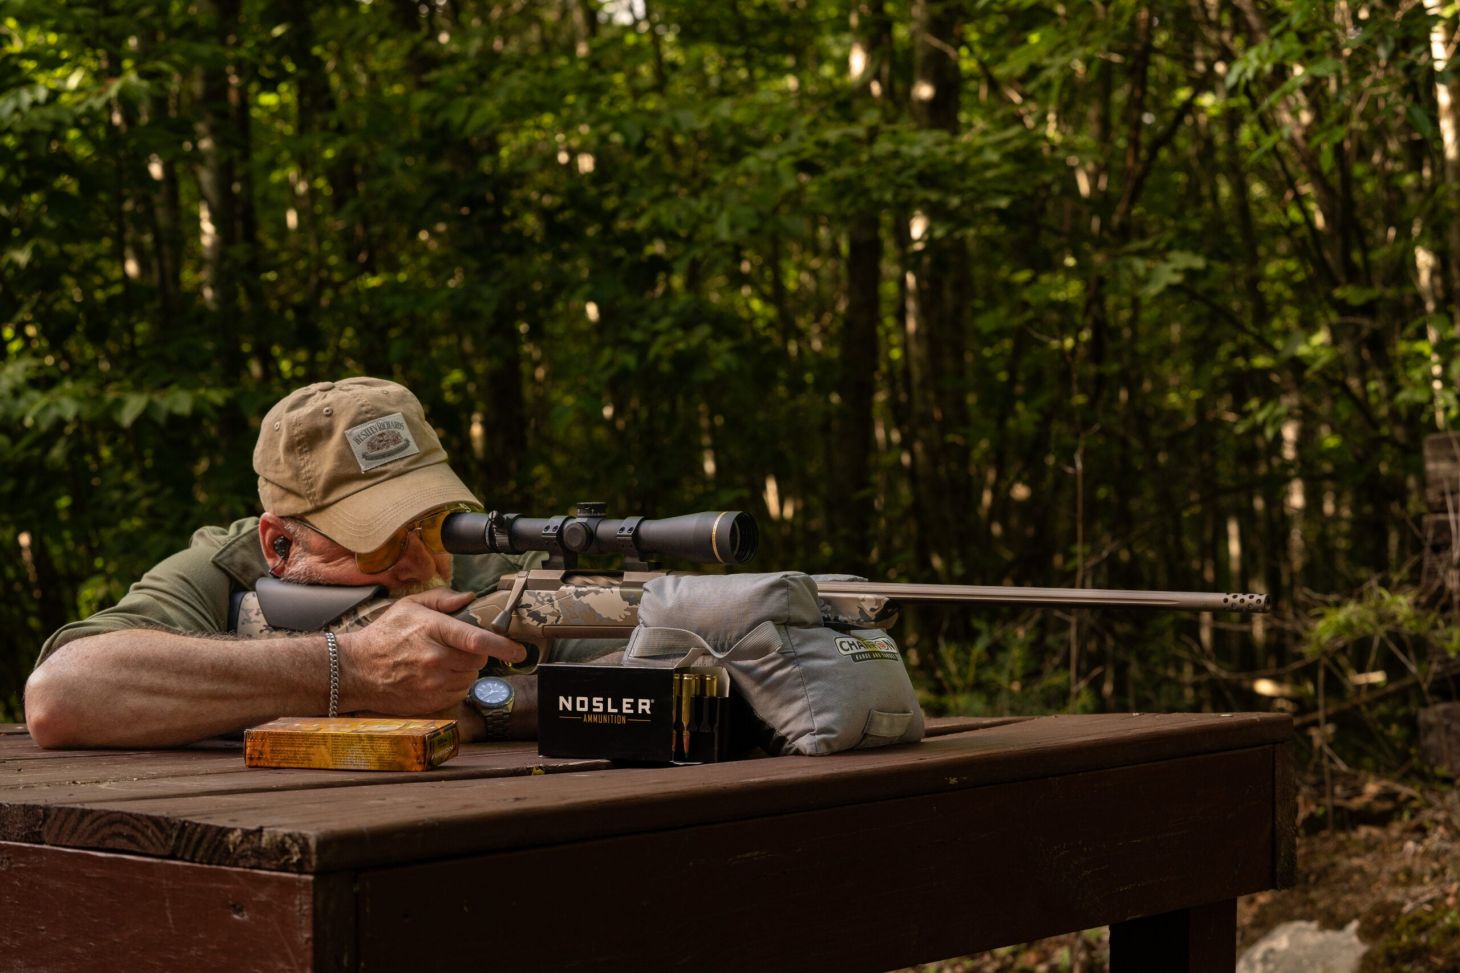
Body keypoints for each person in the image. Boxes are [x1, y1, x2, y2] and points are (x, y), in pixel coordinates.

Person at [25, 377, 568, 748]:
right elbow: (60, 695)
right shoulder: (223, 569)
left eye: (433, 524)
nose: (419, 562)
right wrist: (353, 667)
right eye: (376, 541)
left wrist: (479, 707)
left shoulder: (498, 573)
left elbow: (653, 674)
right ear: (279, 545)